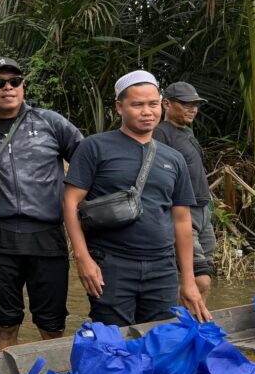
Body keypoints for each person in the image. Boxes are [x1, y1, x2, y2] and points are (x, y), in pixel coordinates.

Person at [63, 70, 211, 326]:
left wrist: (188, 280)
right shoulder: (94, 147)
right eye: (137, 105)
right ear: (120, 107)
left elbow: (181, 219)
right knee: (113, 339)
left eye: (153, 104)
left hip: (162, 268)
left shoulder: (173, 158)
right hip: (111, 264)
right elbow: (70, 202)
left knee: (160, 337)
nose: (147, 111)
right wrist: (83, 258)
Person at [0, 57, 83, 353]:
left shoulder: (50, 122)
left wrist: (76, 205)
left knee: (52, 324)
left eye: (14, 82)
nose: (8, 88)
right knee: (4, 323)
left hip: (47, 237)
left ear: (23, 86)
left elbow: (86, 161)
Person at [154, 82, 215, 299]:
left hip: (203, 210)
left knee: (206, 275)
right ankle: (180, 318)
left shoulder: (187, 132)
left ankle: (196, 319)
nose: (192, 109)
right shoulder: (160, 133)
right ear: (166, 104)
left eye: (195, 105)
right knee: (199, 279)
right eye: (186, 104)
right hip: (182, 212)